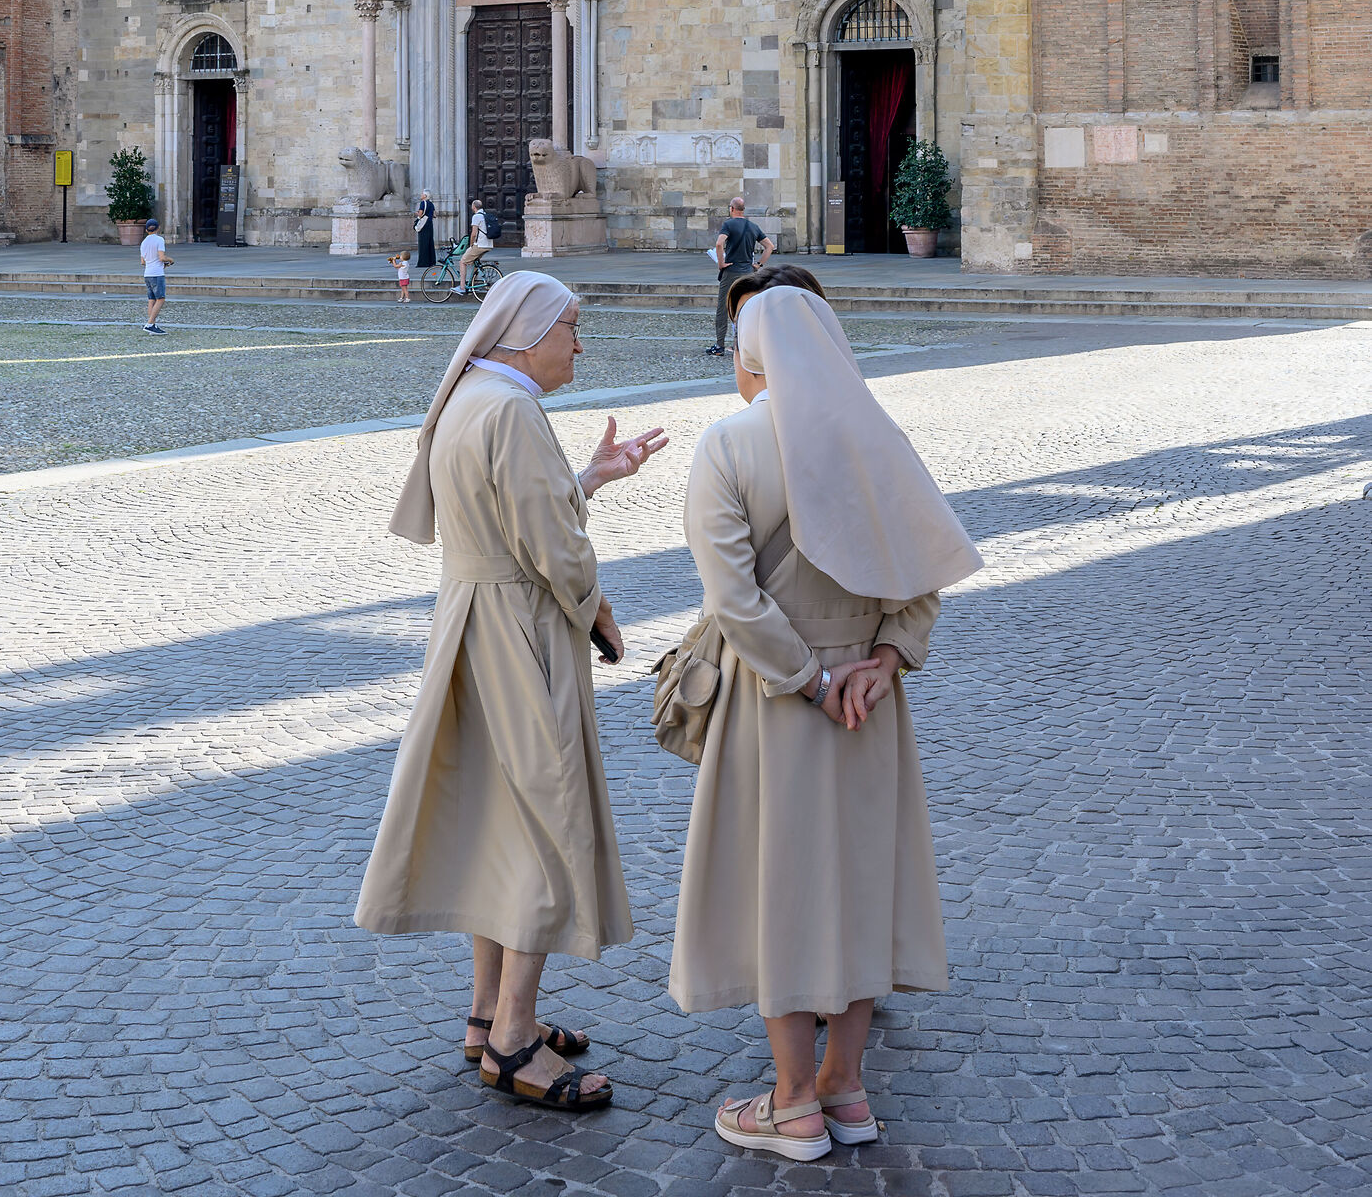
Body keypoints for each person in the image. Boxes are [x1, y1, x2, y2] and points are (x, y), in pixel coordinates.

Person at [670, 282, 981, 1162]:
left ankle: (793, 1102)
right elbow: (923, 574)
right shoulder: (877, 440)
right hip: (869, 706)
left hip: (777, 700)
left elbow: (733, 597)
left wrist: (810, 679)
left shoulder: (729, 444)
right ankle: (848, 1087)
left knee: (781, 889)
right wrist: (883, 662)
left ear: (753, 356)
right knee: (859, 888)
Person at [356, 272, 669, 1112]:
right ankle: (515, 1042)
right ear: (530, 331)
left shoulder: (472, 397)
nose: (579, 343)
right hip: (519, 635)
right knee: (544, 821)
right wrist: (598, 608)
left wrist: (593, 477)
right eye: (572, 326)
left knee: (500, 815)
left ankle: (485, 1011)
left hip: (471, 623)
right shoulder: (517, 412)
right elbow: (554, 551)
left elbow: (517, 515)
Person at [705, 197, 774, 355]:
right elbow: (769, 246)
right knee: (746, 308)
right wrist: (759, 265)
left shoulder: (729, 224)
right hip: (748, 273)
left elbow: (719, 243)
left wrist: (721, 263)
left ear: (732, 209)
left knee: (723, 308)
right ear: (743, 209)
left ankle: (720, 345)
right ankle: (742, 344)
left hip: (731, 272)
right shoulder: (753, 226)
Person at [457, 194, 494, 295]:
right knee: (475, 261)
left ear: (474, 207)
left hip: (480, 244)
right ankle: (473, 282)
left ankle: (462, 287)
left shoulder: (476, 217)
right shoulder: (485, 215)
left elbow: (473, 233)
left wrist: (471, 245)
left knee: (462, 262)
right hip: (488, 244)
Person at [139, 219, 171, 333]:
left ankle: (152, 324)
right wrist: (170, 260)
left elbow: (143, 262)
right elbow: (162, 257)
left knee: (151, 299)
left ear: (147, 230)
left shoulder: (143, 242)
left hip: (147, 273)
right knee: (160, 299)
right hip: (157, 273)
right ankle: (150, 324)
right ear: (158, 228)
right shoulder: (159, 240)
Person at [414, 190, 437, 272]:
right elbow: (434, 215)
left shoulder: (423, 203)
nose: (421, 195)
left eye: (422, 194)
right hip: (430, 224)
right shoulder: (431, 204)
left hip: (423, 225)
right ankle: (431, 261)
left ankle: (423, 262)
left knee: (423, 243)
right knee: (430, 242)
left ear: (425, 196)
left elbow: (420, 214)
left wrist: (417, 214)